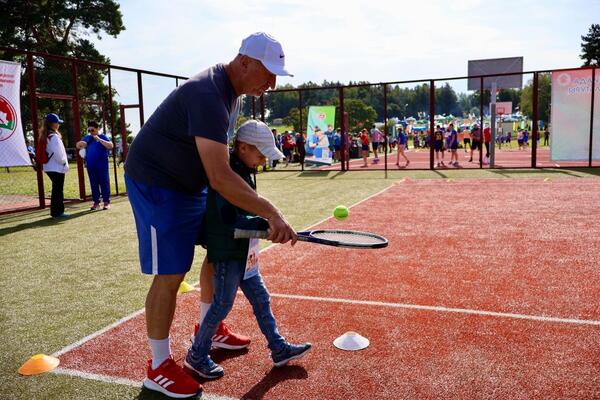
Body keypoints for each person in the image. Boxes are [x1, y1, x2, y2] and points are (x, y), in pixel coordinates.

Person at [124, 32, 297, 399]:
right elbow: (220, 176)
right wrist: (271, 213)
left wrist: (251, 214)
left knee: (218, 246)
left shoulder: (231, 94)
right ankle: (158, 367)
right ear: (244, 62)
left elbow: (217, 171)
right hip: (158, 182)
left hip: (190, 182)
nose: (273, 82)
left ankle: (210, 326)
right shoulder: (207, 94)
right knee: (171, 272)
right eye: (269, 72)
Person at [186, 120, 311, 379]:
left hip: (246, 254)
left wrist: (265, 227)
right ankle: (196, 355)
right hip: (228, 251)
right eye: (261, 153)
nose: (264, 159)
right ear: (242, 147)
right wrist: (265, 227)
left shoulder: (244, 170)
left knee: (261, 299)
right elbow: (229, 221)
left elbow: (246, 212)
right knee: (221, 305)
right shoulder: (229, 173)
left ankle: (278, 348)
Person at [76, 121, 114, 210]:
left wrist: (99, 140)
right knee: (93, 184)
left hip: (102, 165)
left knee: (104, 183)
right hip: (91, 165)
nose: (91, 132)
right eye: (89, 130)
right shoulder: (88, 138)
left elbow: (110, 146)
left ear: (97, 129)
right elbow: (79, 145)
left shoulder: (102, 136)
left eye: (92, 130)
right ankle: (96, 203)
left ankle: (106, 202)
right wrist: (82, 144)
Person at [41, 113, 69, 219]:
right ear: (53, 124)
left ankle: (55, 212)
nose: (59, 125)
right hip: (56, 167)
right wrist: (63, 163)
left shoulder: (46, 135)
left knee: (56, 189)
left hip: (49, 166)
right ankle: (58, 212)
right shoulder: (54, 137)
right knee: (58, 190)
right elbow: (58, 153)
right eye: (57, 122)